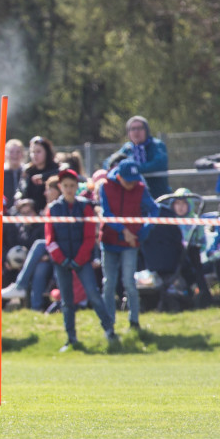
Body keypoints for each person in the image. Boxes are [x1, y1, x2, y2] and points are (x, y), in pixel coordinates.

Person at [45, 170, 118, 351]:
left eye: (72, 186)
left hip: (82, 261)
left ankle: (109, 331)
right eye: (65, 186)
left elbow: (89, 237)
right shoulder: (53, 209)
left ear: (77, 187)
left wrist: (78, 260)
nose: (69, 189)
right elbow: (50, 239)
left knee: (93, 295)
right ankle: (71, 339)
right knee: (67, 301)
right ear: (60, 187)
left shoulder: (85, 207)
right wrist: (62, 259)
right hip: (61, 262)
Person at [98, 159, 159, 331]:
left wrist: (143, 231)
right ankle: (109, 323)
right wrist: (123, 231)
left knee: (129, 282)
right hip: (109, 241)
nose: (132, 184)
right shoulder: (106, 186)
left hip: (131, 243)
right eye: (128, 181)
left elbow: (154, 209)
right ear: (119, 176)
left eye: (134, 180)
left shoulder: (140, 188)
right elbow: (106, 213)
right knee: (109, 283)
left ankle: (134, 321)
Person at [104, 115, 170, 199]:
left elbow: (159, 163)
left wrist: (134, 169)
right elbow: (108, 162)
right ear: (128, 132)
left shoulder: (156, 145)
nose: (136, 131)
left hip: (157, 193)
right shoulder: (128, 148)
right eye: (132, 129)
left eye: (139, 128)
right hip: (134, 195)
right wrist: (117, 167)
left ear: (146, 130)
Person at [18, 136, 60, 213]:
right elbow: (21, 190)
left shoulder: (56, 168)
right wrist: (20, 200)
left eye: (38, 152)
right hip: (30, 213)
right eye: (32, 152)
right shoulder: (28, 171)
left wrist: (44, 177)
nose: (35, 155)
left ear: (47, 152)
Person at [0, 138, 25, 210]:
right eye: (11, 152)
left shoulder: (27, 172)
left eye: (18, 152)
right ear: (5, 154)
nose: (15, 155)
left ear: (22, 154)